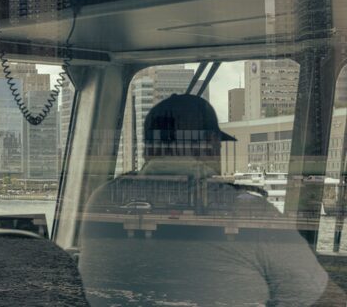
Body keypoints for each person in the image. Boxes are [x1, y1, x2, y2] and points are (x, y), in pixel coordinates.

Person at [78, 93, 345, 306]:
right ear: (210, 143)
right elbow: (325, 301)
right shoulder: (247, 211)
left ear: (148, 148)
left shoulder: (103, 199)